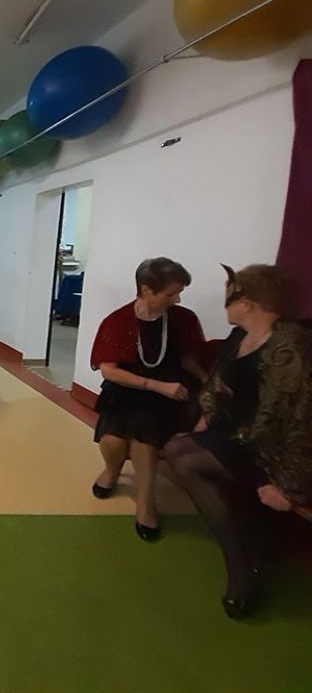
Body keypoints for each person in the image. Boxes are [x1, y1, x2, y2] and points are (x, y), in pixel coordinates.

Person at [166, 264, 312, 619]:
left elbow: (301, 424)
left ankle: (241, 566)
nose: (225, 305)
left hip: (268, 448)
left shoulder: (290, 347)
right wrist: (203, 420)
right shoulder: (239, 337)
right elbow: (218, 385)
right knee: (174, 449)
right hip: (236, 432)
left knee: (187, 462)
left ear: (247, 303)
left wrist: (288, 486)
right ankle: (251, 549)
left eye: (229, 298)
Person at [89, 257, 206, 541]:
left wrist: (209, 386)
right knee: (112, 441)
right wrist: (154, 385)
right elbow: (109, 370)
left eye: (179, 293)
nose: (177, 299)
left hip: (168, 393)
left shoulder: (183, 319)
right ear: (146, 290)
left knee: (144, 434)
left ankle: (146, 504)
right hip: (127, 390)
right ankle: (112, 469)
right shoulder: (118, 321)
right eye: (171, 294)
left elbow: (190, 361)